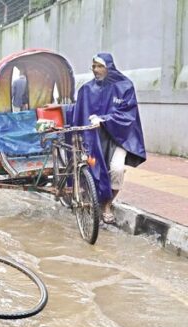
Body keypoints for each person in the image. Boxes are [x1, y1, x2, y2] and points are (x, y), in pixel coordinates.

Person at [68, 53, 146, 223]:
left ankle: (107, 204)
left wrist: (104, 120)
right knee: (90, 168)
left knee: (116, 170)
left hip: (118, 138)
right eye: (93, 66)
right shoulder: (86, 89)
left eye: (99, 66)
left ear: (108, 67)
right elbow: (78, 114)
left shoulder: (125, 87)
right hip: (92, 139)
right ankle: (91, 199)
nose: (95, 70)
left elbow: (128, 115)